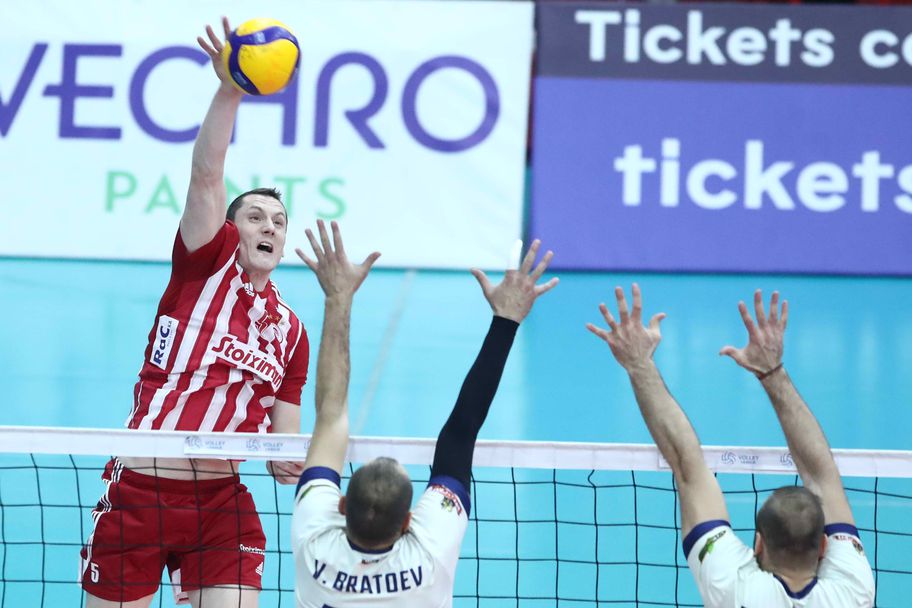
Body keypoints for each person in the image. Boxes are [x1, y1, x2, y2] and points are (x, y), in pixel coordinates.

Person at [80, 18, 309, 608]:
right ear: (229, 231)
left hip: (221, 506)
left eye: (278, 222)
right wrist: (231, 88)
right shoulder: (204, 266)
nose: (269, 226)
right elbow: (207, 175)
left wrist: (291, 463)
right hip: (142, 490)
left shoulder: (292, 332)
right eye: (255, 217)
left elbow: (285, 435)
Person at [291, 224, 557, 606]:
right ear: (407, 522)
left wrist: (338, 298)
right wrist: (507, 320)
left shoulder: (315, 544)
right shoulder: (429, 555)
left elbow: (331, 413)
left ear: (342, 506)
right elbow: (461, 432)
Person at [587, 286, 875, 607]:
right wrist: (773, 372)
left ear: (759, 544)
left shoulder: (733, 588)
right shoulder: (854, 591)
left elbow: (687, 465)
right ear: (824, 545)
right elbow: (823, 477)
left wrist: (639, 363)